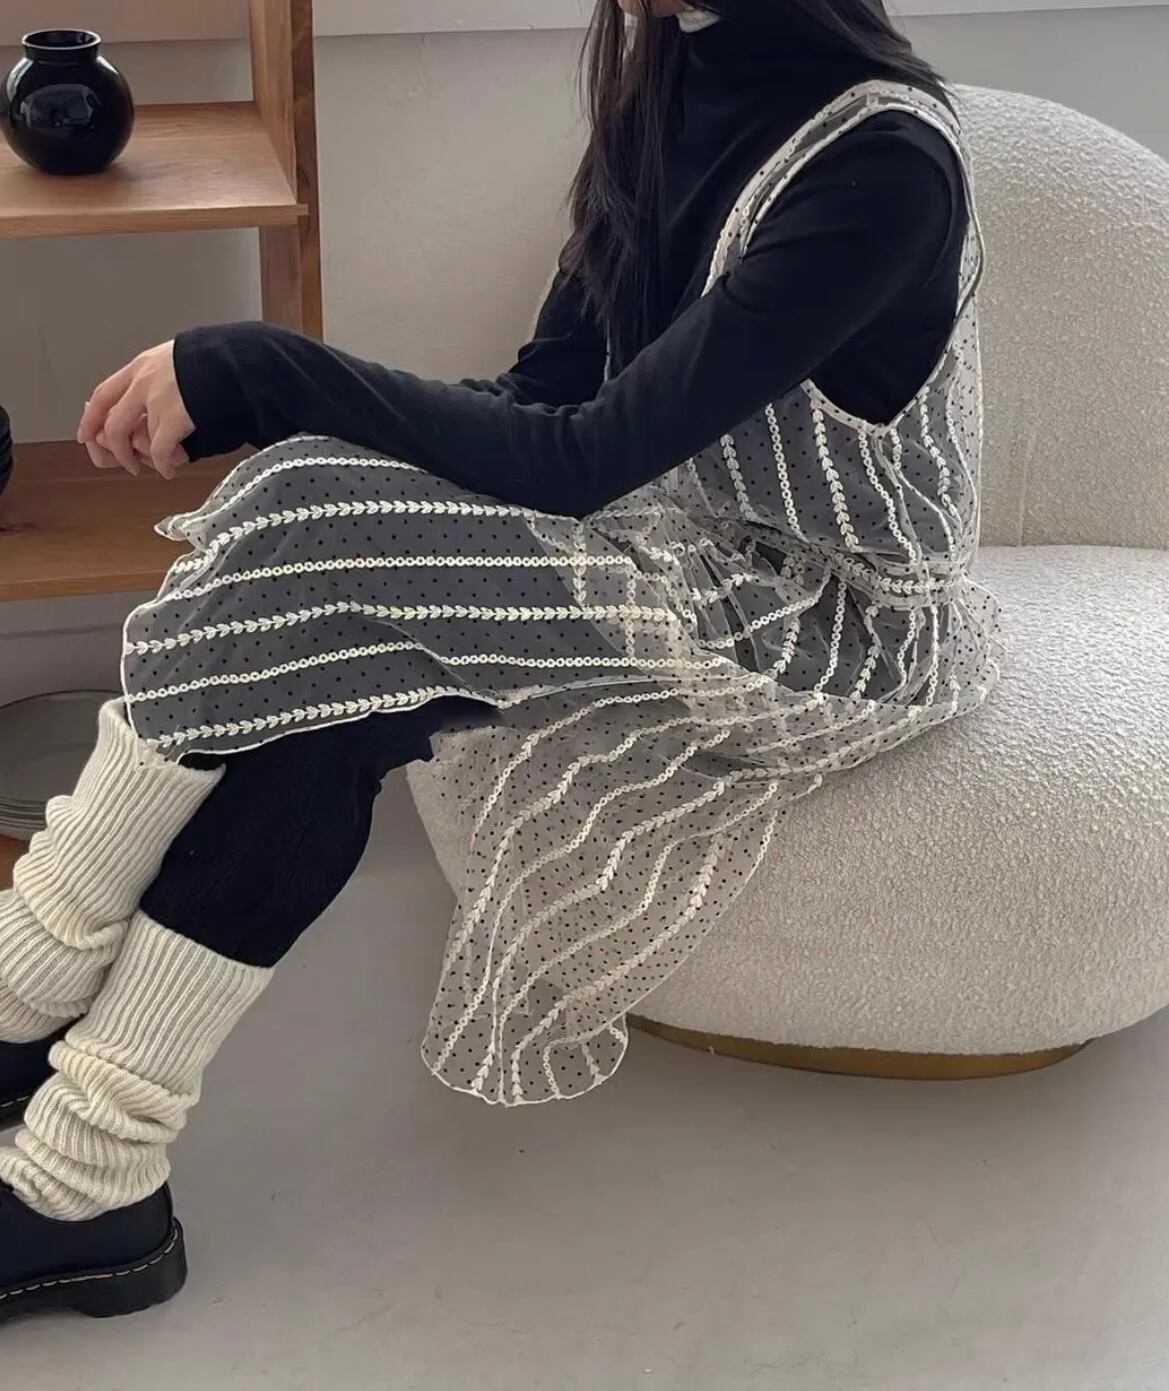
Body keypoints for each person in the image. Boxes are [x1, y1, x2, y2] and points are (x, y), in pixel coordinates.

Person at [0, 0, 1002, 1322]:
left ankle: (30, 1022)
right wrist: (296, 407)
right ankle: (88, 1166)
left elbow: (580, 461)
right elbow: (546, 400)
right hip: (662, 538)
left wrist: (266, 368)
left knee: (312, 507)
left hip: (821, 627)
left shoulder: (880, 165)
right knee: (321, 589)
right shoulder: (667, 81)